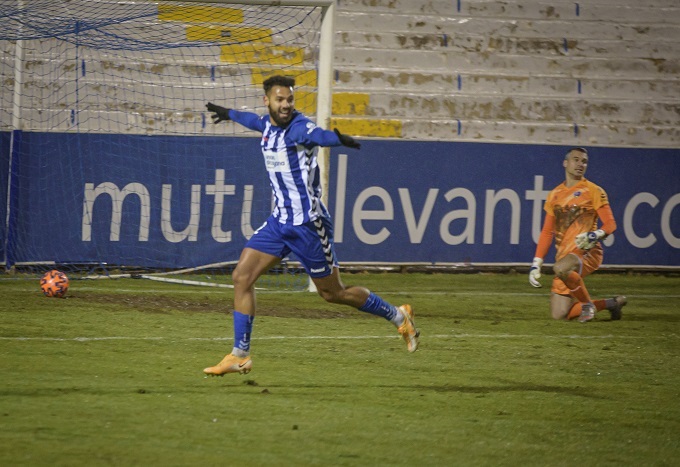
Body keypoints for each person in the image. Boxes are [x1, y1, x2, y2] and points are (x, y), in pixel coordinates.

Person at [202, 75, 419, 376]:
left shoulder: (299, 128)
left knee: (333, 293)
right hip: (279, 223)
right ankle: (239, 354)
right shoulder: (266, 126)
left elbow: (318, 136)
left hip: (307, 226)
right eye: (280, 99)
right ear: (268, 101)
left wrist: (337, 139)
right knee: (241, 277)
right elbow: (250, 120)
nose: (286, 104)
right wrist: (228, 114)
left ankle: (399, 316)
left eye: (290, 99)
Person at [528, 147, 627, 322]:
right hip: (565, 256)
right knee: (560, 315)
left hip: (588, 251)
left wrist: (594, 235)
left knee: (559, 268)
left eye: (584, 161)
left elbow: (611, 224)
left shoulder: (593, 191)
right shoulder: (554, 195)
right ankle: (612, 303)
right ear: (565, 163)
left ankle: (588, 305)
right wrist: (536, 263)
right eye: (576, 160)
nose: (580, 164)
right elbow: (547, 231)